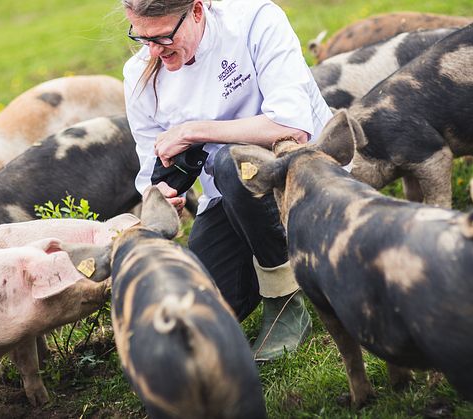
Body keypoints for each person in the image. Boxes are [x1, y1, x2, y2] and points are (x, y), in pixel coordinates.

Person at [122, 0, 334, 361]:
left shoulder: (255, 21)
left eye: (163, 37)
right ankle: (272, 271)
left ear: (198, 11)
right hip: (227, 200)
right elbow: (151, 169)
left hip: (300, 178)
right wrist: (161, 195)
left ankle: (285, 299)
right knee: (199, 317)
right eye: (142, 38)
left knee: (230, 161)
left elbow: (293, 126)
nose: (154, 51)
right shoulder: (139, 75)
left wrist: (193, 132)